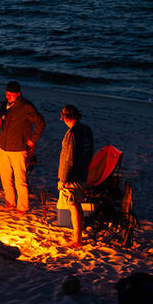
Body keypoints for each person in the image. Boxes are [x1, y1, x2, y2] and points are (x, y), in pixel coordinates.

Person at [0, 80, 44, 213]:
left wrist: (32, 140)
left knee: (20, 180)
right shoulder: (4, 105)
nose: (8, 95)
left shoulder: (26, 107)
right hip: (3, 147)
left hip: (18, 149)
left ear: (18, 94)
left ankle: (23, 207)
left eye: (12, 94)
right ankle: (10, 203)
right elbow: (1, 122)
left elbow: (41, 123)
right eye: (7, 93)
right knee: (5, 177)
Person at [56, 104, 94, 246]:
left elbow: (69, 159)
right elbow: (90, 152)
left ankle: (77, 239)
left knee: (74, 205)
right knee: (76, 205)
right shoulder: (86, 130)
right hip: (83, 172)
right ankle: (76, 236)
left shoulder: (72, 134)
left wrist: (63, 180)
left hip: (73, 176)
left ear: (65, 117)